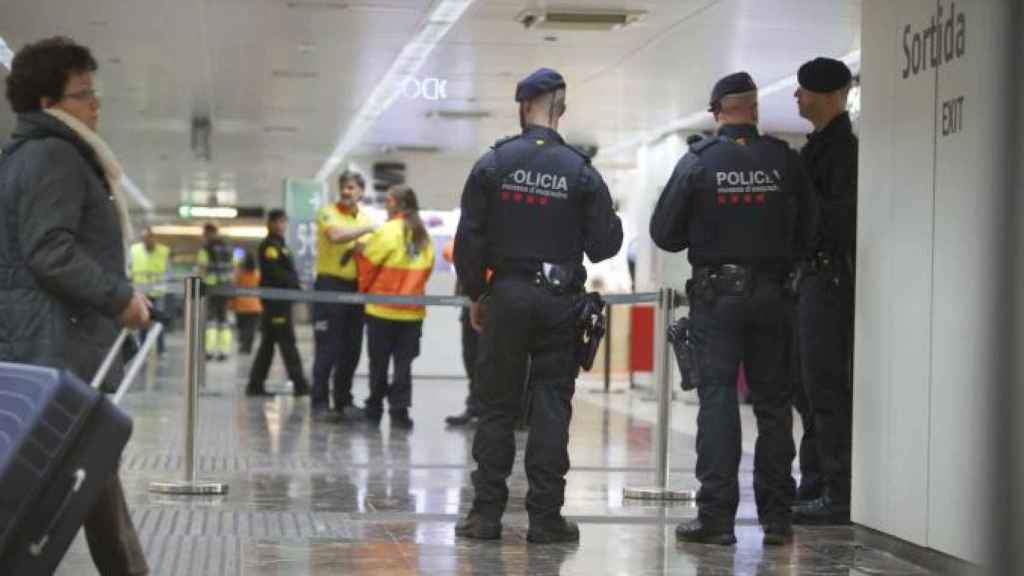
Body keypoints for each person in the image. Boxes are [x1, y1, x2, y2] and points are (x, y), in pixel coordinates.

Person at [453, 68, 623, 544]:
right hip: (560, 300)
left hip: (506, 296)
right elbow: (606, 244)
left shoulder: (494, 163)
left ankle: (485, 516)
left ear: (522, 106)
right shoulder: (581, 169)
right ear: (561, 109)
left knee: (497, 407)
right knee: (552, 406)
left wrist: (475, 293)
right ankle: (545, 519)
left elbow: (470, 238)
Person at [0, 36, 149, 575]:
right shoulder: (55, 155)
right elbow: (50, 250)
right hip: (59, 343)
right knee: (71, 477)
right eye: (83, 94)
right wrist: (119, 297)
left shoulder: (26, 155)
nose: (95, 104)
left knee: (87, 475)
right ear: (47, 103)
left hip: (50, 342)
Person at [650, 71, 815, 547]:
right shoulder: (785, 160)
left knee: (718, 402)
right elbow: (810, 227)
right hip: (774, 297)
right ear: (756, 108)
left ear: (717, 111)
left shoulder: (699, 163)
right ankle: (778, 520)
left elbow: (665, 232)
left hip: (717, 299)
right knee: (773, 408)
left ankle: (717, 520)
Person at [791, 57, 858, 525]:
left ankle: (838, 493)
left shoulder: (843, 153)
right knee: (805, 388)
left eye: (804, 90)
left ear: (830, 95)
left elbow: (837, 219)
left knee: (825, 388)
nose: (797, 97)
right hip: (808, 281)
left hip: (829, 280)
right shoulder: (816, 149)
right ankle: (813, 483)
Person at [353, 184, 435, 430]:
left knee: (379, 363)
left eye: (388, 201)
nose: (386, 205)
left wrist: (364, 291)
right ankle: (399, 412)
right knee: (403, 365)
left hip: (381, 311)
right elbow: (426, 270)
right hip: (412, 313)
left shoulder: (387, 231)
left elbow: (368, 266)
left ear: (399, 205)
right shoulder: (422, 235)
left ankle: (374, 407)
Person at [311, 171, 376, 419]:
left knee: (351, 348)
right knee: (328, 347)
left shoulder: (364, 217)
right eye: (344, 187)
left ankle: (343, 401)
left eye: (352, 188)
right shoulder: (328, 212)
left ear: (361, 191)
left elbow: (369, 251)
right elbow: (335, 236)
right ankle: (319, 403)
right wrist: (366, 230)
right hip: (329, 285)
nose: (347, 192)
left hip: (356, 288)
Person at [247, 210, 310, 397]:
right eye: (278, 222)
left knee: (268, 344)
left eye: (284, 222)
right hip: (275, 303)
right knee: (287, 343)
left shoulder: (282, 246)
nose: (281, 225)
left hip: (281, 301)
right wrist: (294, 283)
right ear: (271, 223)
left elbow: (287, 271)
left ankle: (255, 385)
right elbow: (275, 273)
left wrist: (295, 284)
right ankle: (300, 385)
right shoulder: (269, 247)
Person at [443, 239, 482, 427]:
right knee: (471, 357)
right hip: (471, 299)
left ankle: (489, 410)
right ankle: (475, 407)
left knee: (491, 361)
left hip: (495, 298)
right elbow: (451, 251)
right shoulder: (473, 229)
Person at [129, 226, 171, 355]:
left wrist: (160, 280)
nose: (146, 241)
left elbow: (169, 272)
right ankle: (142, 349)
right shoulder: (134, 250)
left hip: (158, 292)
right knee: (142, 320)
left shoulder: (164, 251)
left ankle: (160, 349)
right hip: (141, 291)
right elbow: (129, 268)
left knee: (159, 321)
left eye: (149, 238)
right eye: (144, 239)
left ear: (154, 238)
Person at [197, 222, 234, 361]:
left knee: (211, 320)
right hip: (226, 287)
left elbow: (202, 268)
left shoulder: (205, 248)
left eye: (205, 234)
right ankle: (224, 351)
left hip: (212, 287)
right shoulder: (228, 247)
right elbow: (233, 268)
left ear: (208, 233)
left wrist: (200, 284)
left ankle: (209, 350)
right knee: (224, 320)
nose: (204, 237)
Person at [232, 250, 262, 355]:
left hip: (240, 306)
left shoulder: (239, 274)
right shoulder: (257, 274)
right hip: (255, 306)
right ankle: (247, 347)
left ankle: (242, 346)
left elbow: (234, 286)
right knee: (251, 329)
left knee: (242, 328)